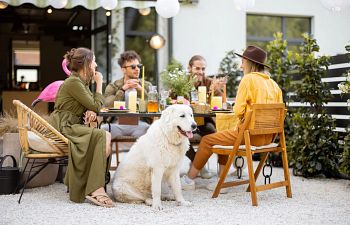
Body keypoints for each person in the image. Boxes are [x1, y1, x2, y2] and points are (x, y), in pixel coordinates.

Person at [180, 46, 283, 191]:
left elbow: (238, 110)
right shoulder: (274, 84)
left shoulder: (248, 80)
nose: (241, 65)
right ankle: (222, 180)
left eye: (242, 62)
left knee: (207, 140)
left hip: (249, 136)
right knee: (222, 134)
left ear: (249, 62)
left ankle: (189, 180)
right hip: (268, 139)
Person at [49, 47, 113, 207]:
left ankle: (94, 186)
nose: (96, 65)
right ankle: (95, 188)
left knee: (105, 135)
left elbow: (93, 105)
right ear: (87, 64)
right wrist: (99, 85)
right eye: (94, 61)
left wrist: (90, 109)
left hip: (73, 124)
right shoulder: (73, 82)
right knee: (102, 135)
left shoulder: (80, 83)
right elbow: (97, 105)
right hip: (65, 126)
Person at [185, 55, 226, 179]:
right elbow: (171, 100)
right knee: (178, 137)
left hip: (204, 122)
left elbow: (222, 103)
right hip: (185, 123)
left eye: (203, 69)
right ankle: (199, 165)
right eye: (197, 68)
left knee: (213, 134)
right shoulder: (181, 82)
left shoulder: (209, 83)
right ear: (189, 68)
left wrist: (219, 91)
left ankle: (197, 166)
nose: (201, 72)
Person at [103, 50, 152, 139]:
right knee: (103, 130)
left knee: (151, 130)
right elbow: (107, 105)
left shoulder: (147, 86)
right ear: (123, 69)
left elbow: (153, 106)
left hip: (140, 125)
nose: (137, 69)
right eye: (133, 67)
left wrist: (141, 90)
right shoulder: (113, 86)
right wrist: (122, 89)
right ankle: (107, 153)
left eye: (139, 66)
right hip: (117, 124)